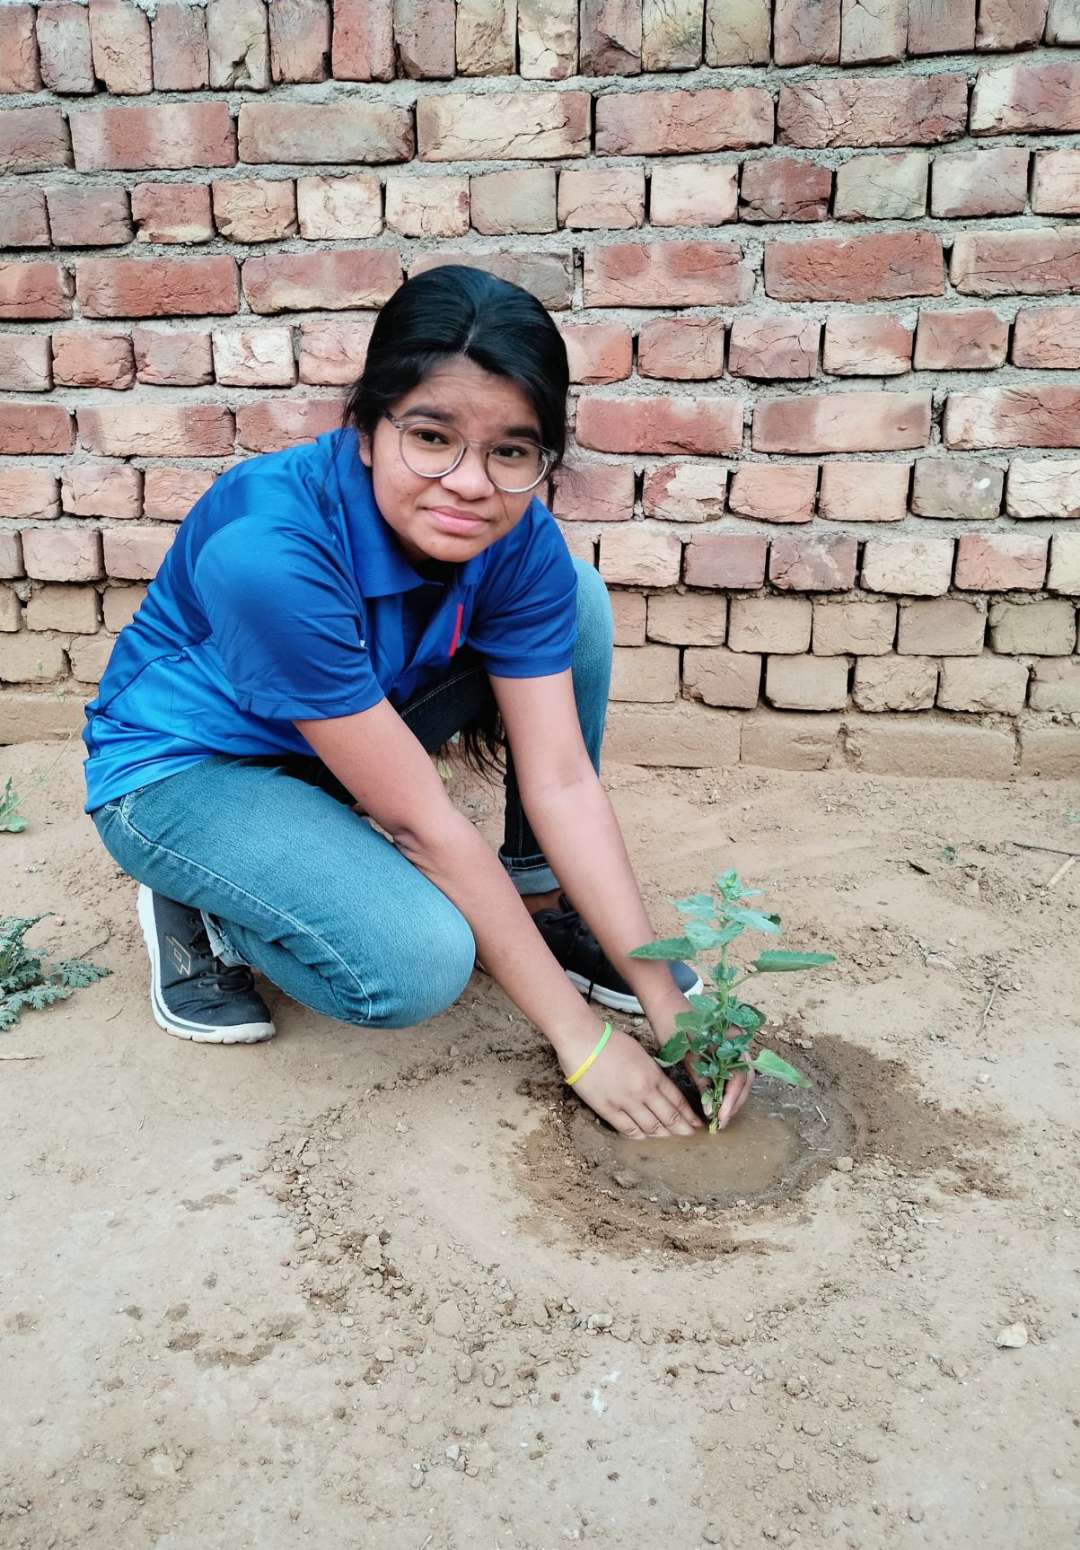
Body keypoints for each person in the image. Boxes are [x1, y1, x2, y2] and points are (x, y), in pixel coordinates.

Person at [82, 264, 752, 1139]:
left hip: (340, 734)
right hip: (187, 772)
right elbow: (423, 825)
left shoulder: (513, 535)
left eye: (511, 450)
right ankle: (210, 905)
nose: (471, 483)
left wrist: (667, 1003)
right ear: (365, 429)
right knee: (417, 962)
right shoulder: (270, 552)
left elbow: (564, 781)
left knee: (575, 601)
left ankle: (540, 903)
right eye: (432, 437)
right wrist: (583, 1043)